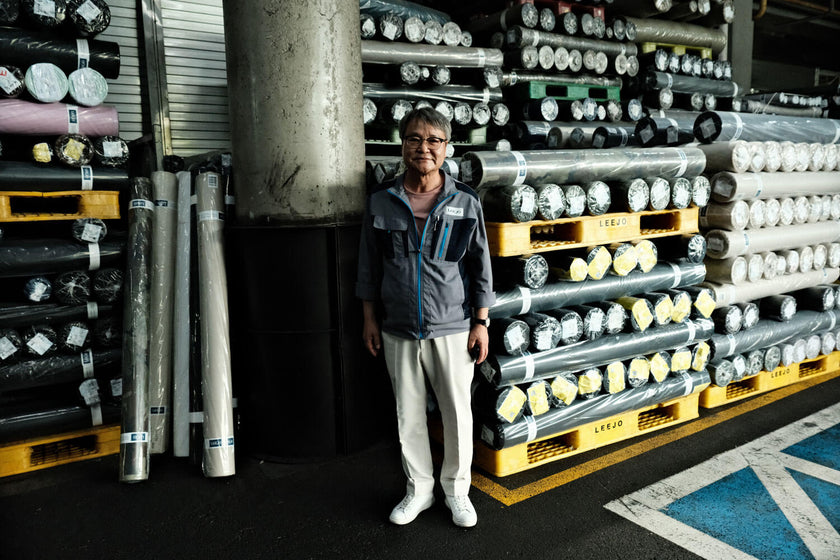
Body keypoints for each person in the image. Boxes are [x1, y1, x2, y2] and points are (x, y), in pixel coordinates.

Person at [355, 107, 495, 528]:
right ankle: (419, 490)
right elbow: (368, 265)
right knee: (408, 414)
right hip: (397, 327)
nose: (424, 148)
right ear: (402, 145)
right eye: (415, 139)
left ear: (447, 148)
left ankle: (457, 491)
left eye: (434, 140)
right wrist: (369, 318)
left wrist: (481, 322)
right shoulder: (382, 200)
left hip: (452, 325)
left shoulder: (464, 201)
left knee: (456, 413)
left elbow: (480, 266)